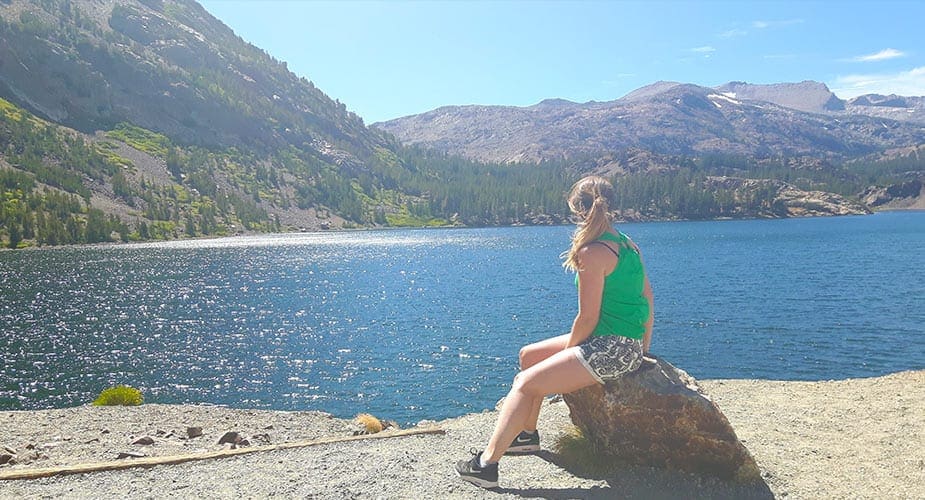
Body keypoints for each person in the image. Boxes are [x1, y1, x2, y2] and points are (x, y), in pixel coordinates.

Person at [455, 175, 654, 489]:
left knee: (524, 383)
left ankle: (485, 465)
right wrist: (643, 349)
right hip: (621, 343)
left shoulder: (593, 252)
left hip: (608, 346)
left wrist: (570, 352)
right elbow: (648, 299)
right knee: (529, 356)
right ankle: (526, 436)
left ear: (578, 211)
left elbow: (586, 319)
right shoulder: (629, 246)